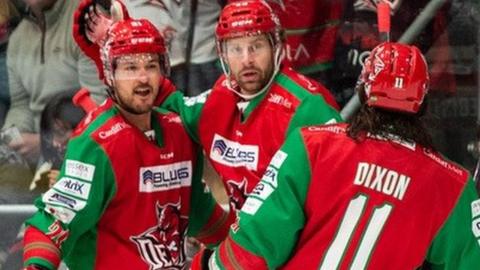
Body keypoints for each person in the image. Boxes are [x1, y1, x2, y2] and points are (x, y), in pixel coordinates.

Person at [191, 42, 480, 269]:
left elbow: (253, 249)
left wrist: (208, 265)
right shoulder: (453, 185)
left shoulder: (311, 145)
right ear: (424, 102)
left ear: (363, 93)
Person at [74, 0, 342, 215]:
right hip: (246, 250)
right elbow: (159, 101)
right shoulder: (222, 97)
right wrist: (116, 53)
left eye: (256, 46)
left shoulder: (309, 107)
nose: (246, 60)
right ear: (221, 53)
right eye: (235, 48)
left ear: (276, 46)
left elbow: (339, 198)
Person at [22, 6, 233, 270]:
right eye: (130, 67)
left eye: (151, 66)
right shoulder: (96, 143)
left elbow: (203, 214)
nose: (142, 77)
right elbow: (52, 225)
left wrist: (249, 248)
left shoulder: (178, 132)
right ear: (109, 75)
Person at [5, 0, 106, 165]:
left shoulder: (87, 20)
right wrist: (10, 137)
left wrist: (48, 144)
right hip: (41, 155)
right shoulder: (18, 38)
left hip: (88, 151)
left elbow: (102, 105)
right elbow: (21, 104)